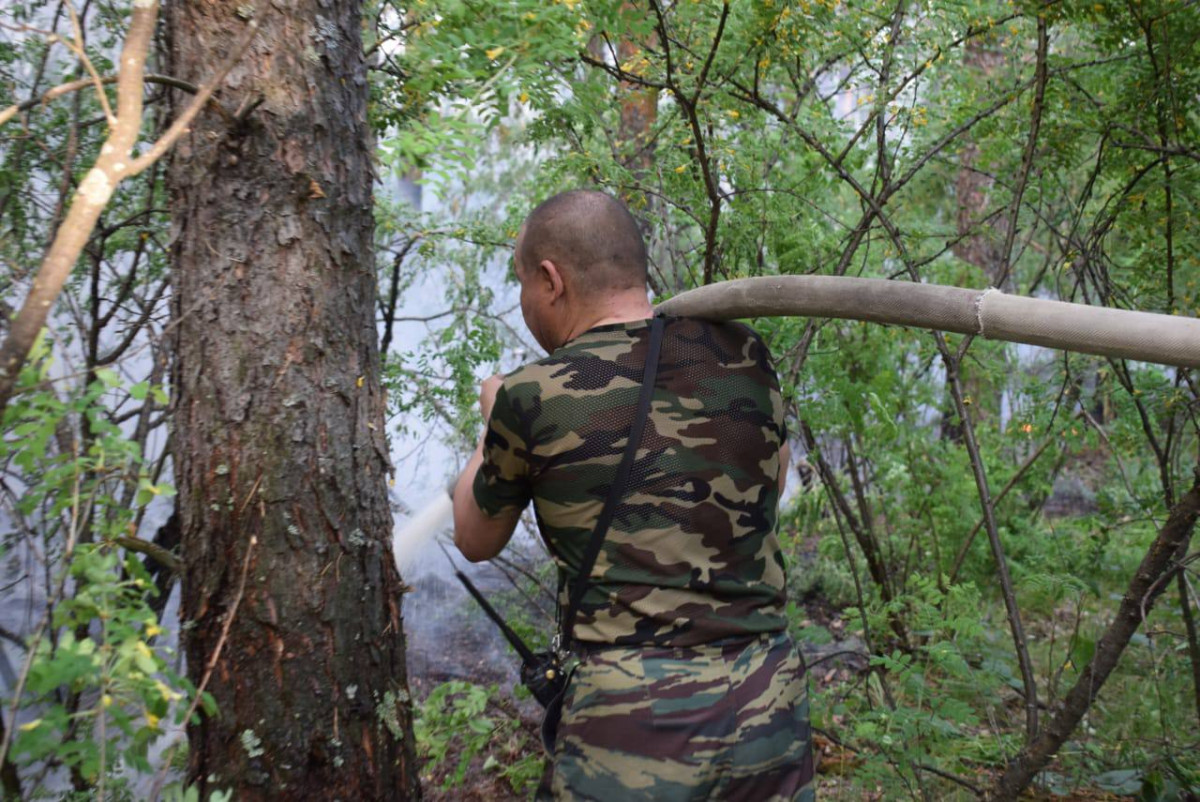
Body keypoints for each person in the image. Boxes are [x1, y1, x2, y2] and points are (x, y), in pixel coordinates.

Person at [452, 189, 815, 801]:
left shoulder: (531, 395)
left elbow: (474, 537)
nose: (524, 301)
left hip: (636, 724)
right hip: (768, 700)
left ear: (551, 280)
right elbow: (772, 483)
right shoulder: (744, 353)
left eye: (522, 284)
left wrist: (492, 427)